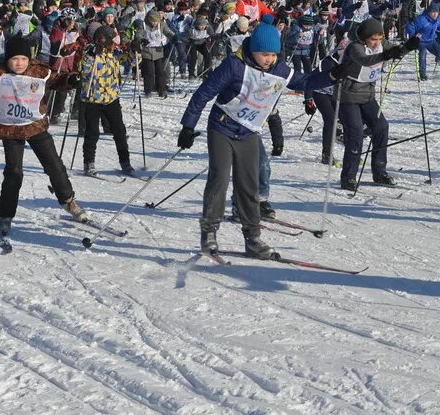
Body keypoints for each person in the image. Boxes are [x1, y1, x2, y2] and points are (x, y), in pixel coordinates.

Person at [178, 20, 333, 258]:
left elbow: (305, 82)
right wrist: (188, 126)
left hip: (248, 131)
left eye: (273, 54)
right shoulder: (234, 65)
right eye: (264, 54)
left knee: (249, 186)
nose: (269, 59)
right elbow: (204, 94)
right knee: (219, 179)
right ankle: (209, 233)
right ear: (253, 51)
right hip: (222, 128)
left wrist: (333, 75)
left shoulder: (278, 69)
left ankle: (252, 239)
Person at [0, 34, 87, 236]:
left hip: (35, 125)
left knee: (54, 164)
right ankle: (6, 215)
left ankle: (68, 201)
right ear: (8, 59)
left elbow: (57, 80)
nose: (19, 63)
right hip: (11, 129)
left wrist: (71, 80)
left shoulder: (39, 70)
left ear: (29, 59)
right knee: (14, 172)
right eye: (15, 59)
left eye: (23, 59)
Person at [333, 18, 420, 191]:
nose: (377, 43)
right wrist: (387, 54)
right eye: (373, 39)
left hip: (367, 95)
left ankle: (379, 170)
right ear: (364, 37)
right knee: (356, 133)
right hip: (348, 96)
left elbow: (395, 52)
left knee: (381, 127)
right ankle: (349, 177)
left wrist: (408, 46)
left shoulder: (381, 44)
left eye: (379, 39)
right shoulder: (355, 47)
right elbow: (365, 60)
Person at [77, 24, 135, 176]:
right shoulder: (89, 52)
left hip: (111, 98)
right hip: (93, 99)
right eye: (111, 41)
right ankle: (89, 163)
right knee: (92, 132)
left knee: (119, 131)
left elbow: (132, 61)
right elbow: (83, 70)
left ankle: (125, 162)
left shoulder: (114, 53)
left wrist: (135, 51)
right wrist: (91, 56)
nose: (114, 44)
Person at [405, 3, 440, 80]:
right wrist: (414, 35)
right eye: (433, 12)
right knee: (423, 54)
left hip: (431, 40)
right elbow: (409, 27)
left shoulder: (438, 19)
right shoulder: (421, 19)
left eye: (436, 12)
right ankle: (422, 73)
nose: (435, 14)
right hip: (421, 41)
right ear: (429, 12)